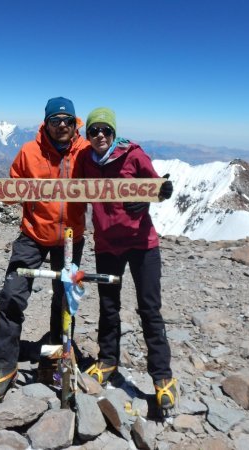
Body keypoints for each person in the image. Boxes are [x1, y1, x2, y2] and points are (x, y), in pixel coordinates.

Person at [0, 97, 90, 404]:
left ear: (75, 122)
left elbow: (110, 181)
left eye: (67, 120)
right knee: (12, 295)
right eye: (55, 121)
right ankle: (3, 366)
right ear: (46, 123)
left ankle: (57, 355)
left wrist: (143, 188)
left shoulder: (84, 153)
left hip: (71, 236)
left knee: (64, 300)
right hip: (33, 234)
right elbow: (14, 190)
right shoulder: (29, 151)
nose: (62, 126)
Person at [79, 107, 178, 415]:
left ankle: (162, 377)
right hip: (107, 244)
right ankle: (108, 361)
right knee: (109, 307)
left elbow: (158, 186)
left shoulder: (133, 155)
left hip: (141, 244)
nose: (99, 136)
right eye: (93, 130)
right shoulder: (85, 159)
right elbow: (67, 188)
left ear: (113, 132)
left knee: (149, 308)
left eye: (105, 130)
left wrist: (157, 193)